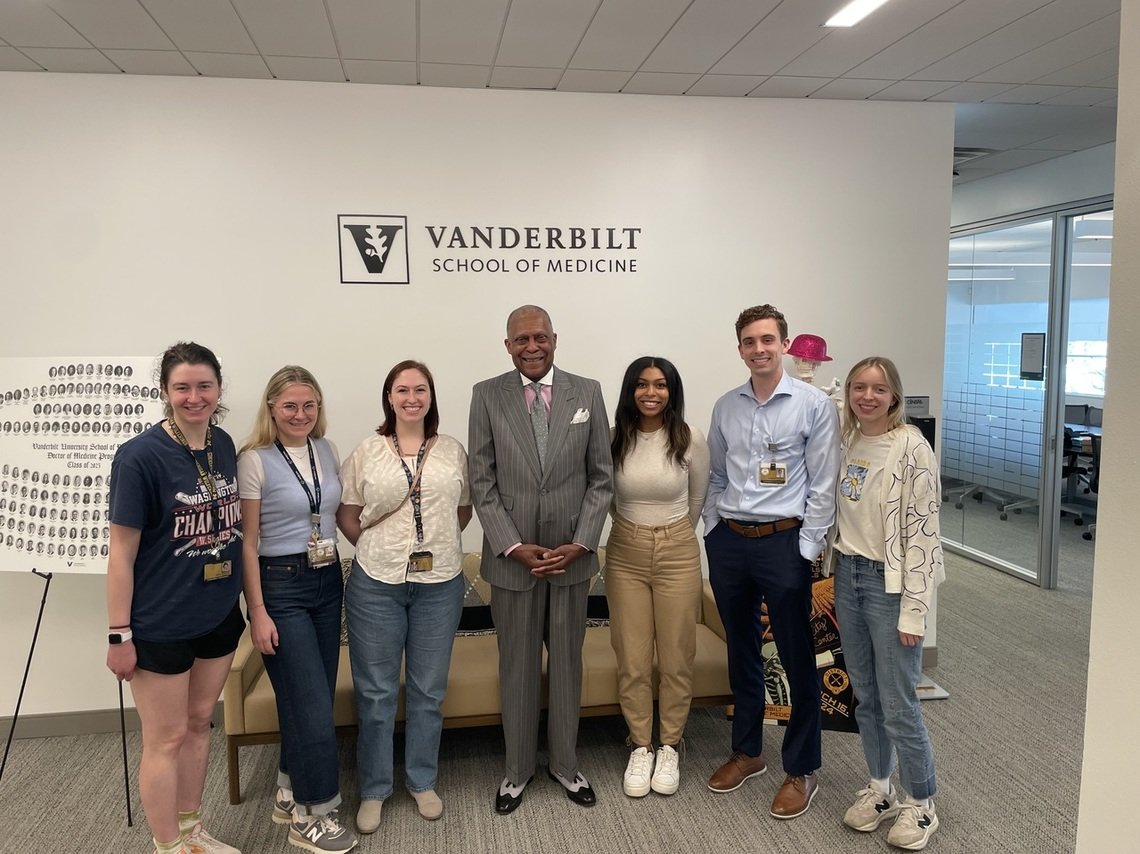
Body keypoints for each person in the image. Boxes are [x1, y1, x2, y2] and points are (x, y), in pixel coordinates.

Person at [468, 305, 613, 815]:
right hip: (514, 563)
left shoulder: (588, 392)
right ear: (507, 345)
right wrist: (511, 544)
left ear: (555, 338)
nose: (532, 346)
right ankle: (517, 771)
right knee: (518, 669)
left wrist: (583, 541)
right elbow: (481, 482)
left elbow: (602, 477)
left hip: (572, 558)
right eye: (521, 339)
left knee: (569, 666)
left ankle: (567, 766)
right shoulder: (486, 395)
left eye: (540, 337)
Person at [105, 342, 244, 854]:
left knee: (199, 724)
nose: (194, 397)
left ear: (219, 389)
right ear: (165, 392)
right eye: (182, 387)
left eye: (204, 386)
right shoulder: (140, 457)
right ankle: (167, 845)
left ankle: (191, 831)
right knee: (164, 739)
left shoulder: (223, 445)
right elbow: (120, 553)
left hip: (217, 615)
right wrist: (119, 634)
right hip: (159, 622)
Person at [702, 304, 840, 819]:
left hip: (785, 543)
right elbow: (717, 475)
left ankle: (801, 768)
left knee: (795, 653)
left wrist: (806, 548)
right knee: (742, 649)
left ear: (783, 344)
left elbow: (824, 484)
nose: (758, 349)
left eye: (767, 340)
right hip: (731, 541)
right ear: (739, 348)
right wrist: (712, 530)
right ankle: (749, 752)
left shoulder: (812, 405)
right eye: (748, 341)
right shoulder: (726, 406)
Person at [337, 360, 472, 834]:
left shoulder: (453, 450)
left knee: (427, 691)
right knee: (374, 693)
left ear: (431, 397)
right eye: (402, 390)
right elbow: (348, 512)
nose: (411, 397)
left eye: (420, 389)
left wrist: (432, 545)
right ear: (388, 398)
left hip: (440, 585)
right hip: (376, 584)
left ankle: (421, 780)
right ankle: (374, 789)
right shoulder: (368, 451)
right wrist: (381, 548)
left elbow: (463, 509)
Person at [238, 367, 357, 853]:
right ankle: (313, 813)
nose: (301, 414)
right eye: (290, 406)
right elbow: (247, 544)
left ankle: (289, 789)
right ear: (271, 409)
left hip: (328, 579)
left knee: (310, 696)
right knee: (309, 703)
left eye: (309, 405)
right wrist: (258, 611)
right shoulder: (254, 460)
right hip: (279, 585)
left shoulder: (325, 449)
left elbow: (334, 515)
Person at [830, 356, 944, 851]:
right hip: (847, 573)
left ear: (894, 395)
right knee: (867, 696)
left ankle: (921, 803)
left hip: (889, 584)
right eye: (859, 387)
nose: (867, 396)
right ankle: (881, 788)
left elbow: (924, 536)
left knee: (899, 702)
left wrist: (915, 611)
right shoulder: (850, 439)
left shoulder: (911, 448)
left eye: (878, 389)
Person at [606, 356, 709, 798]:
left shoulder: (689, 438)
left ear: (672, 391)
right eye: (643, 385)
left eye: (661, 385)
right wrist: (634, 529)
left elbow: (698, 498)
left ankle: (670, 745)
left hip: (678, 551)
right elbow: (606, 497)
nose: (651, 393)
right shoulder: (614, 440)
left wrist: (670, 534)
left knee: (675, 656)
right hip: (624, 551)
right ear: (631, 391)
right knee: (631, 658)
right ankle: (640, 745)